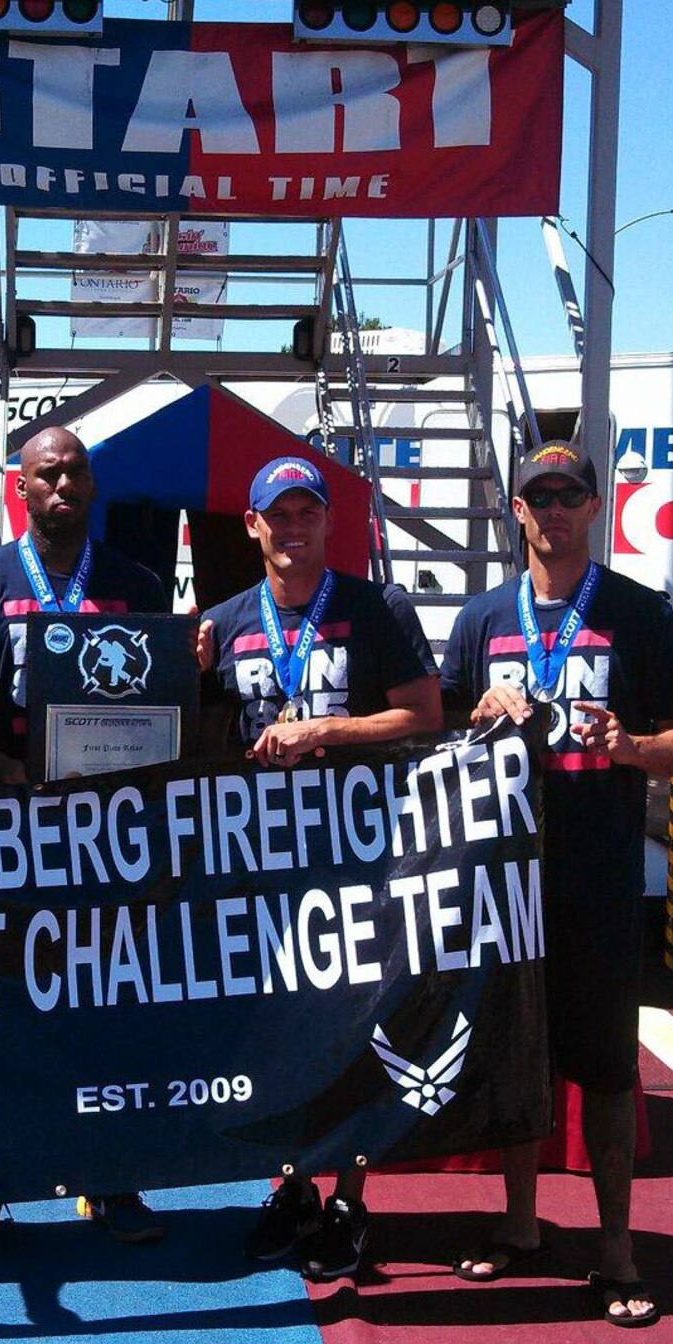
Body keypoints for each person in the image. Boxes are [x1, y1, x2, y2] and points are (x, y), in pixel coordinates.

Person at [441, 439, 673, 1326]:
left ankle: (618, 1249)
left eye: (569, 494)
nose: (552, 508)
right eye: (537, 495)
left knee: (602, 1071)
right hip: (505, 884)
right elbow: (440, 735)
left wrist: (629, 746)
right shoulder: (482, 620)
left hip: (596, 884)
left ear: (594, 508)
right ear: (514, 510)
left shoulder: (637, 615)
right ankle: (519, 1226)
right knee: (514, 1061)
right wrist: (476, 712)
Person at [0, 424, 170, 1256]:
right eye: (45, 475)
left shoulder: (138, 585)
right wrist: (3, 771)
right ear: (17, 488)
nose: (62, 486)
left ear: (93, 487)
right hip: (8, 838)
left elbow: (167, 709)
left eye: (75, 474)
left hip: (108, 840)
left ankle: (109, 1176)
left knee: (107, 1009)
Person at [197, 453, 442, 1280]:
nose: (294, 527)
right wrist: (183, 668)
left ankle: (349, 1201)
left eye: (309, 512)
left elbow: (422, 713)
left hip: (363, 854)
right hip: (262, 862)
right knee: (280, 1034)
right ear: (253, 525)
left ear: (329, 521)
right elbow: (201, 740)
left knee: (358, 1027)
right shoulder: (226, 619)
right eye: (280, 513)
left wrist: (320, 732)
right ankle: (294, 1191)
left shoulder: (377, 607)